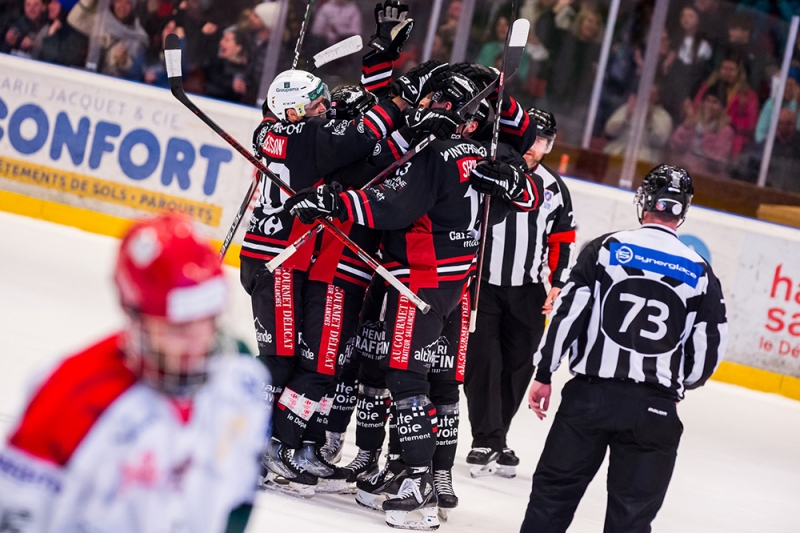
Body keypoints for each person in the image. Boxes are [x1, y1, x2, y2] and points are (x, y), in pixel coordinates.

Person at [285, 73, 543, 530]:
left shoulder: (438, 154)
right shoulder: (477, 156)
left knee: (405, 377)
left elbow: (392, 204)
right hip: (452, 283)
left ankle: (420, 481)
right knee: (414, 376)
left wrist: (333, 201)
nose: (423, 106)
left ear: (451, 110)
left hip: (417, 280)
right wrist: (518, 179)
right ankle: (409, 471)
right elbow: (516, 198)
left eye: (433, 101)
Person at [0, 213, 269, 533]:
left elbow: (236, 495)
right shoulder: (69, 394)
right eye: (179, 327)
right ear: (135, 318)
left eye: (209, 319)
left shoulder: (241, 377)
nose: (199, 342)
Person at [243, 12, 414, 498]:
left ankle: (279, 444)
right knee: (282, 362)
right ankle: (260, 446)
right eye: (316, 104)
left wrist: (375, 74)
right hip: (279, 260)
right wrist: (396, 95)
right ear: (295, 112)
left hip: (292, 260)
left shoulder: (279, 130)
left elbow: (344, 134)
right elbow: (360, 136)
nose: (325, 107)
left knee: (299, 362)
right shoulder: (308, 139)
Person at [522, 164, 728, 533]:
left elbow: (569, 313)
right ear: (683, 209)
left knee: (552, 499)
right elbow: (709, 346)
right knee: (631, 520)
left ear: (644, 202)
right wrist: (676, 387)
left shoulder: (606, 248)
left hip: (590, 398)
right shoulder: (700, 271)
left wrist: (544, 372)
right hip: (655, 410)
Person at [464, 105, 575, 479]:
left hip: (527, 289)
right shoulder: (489, 168)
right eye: (530, 137)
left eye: (541, 140)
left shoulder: (555, 189)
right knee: (484, 364)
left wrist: (557, 282)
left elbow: (561, 239)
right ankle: (486, 439)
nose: (533, 146)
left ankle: (497, 437)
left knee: (518, 366)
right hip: (482, 284)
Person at [692, 53, 759, 157]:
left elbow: (750, 124)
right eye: (724, 68)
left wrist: (731, 121)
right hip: (705, 128)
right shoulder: (708, 86)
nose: (727, 73)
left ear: (739, 72)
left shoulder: (748, 95)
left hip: (731, 138)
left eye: (731, 70)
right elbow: (696, 107)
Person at [669, 81, 734, 175]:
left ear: (722, 107)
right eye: (708, 101)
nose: (710, 106)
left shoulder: (726, 131)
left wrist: (706, 129)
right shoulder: (694, 123)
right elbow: (675, 145)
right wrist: (686, 126)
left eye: (715, 102)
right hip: (686, 171)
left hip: (707, 177)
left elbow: (716, 160)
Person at [603, 86, 673, 164]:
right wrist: (627, 116)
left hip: (644, 160)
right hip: (617, 154)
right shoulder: (627, 107)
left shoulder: (663, 116)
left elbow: (660, 141)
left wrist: (649, 120)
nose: (648, 96)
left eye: (652, 94)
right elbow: (609, 130)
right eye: (647, 93)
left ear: (657, 97)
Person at [737, 107, 800, 192]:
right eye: (777, 123)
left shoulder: (797, 145)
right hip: (767, 190)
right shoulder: (768, 142)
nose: (778, 127)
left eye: (782, 123)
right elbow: (751, 163)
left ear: (792, 125)